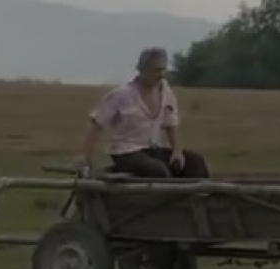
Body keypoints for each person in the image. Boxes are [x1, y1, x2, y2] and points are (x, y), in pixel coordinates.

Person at [78, 47, 210, 179]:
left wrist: (177, 151)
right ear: (143, 70)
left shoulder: (166, 93)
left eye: (163, 70)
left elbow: (171, 125)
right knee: (158, 171)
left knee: (195, 162)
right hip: (126, 152)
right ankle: (165, 198)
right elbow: (97, 125)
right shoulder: (121, 95)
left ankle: (198, 198)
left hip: (153, 149)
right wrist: (85, 158)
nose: (161, 75)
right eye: (157, 70)